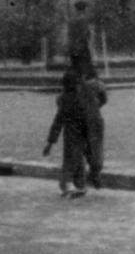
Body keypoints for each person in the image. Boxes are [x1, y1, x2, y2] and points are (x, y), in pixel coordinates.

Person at [42, 66, 106, 197]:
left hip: (87, 129)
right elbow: (59, 120)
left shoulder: (69, 98)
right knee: (79, 157)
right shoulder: (67, 98)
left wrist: (50, 143)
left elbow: (58, 121)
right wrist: (50, 142)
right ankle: (80, 183)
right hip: (77, 130)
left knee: (80, 157)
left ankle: (86, 179)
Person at [66, 0, 97, 80]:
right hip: (82, 47)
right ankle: (85, 86)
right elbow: (85, 34)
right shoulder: (83, 19)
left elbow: (69, 34)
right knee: (85, 67)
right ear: (84, 9)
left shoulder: (71, 20)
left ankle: (76, 85)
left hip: (72, 47)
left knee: (75, 67)